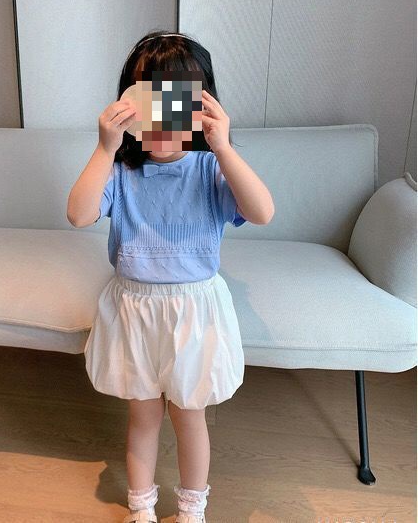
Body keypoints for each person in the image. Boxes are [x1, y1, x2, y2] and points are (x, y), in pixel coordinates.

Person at [67, 31, 274, 523]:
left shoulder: (209, 169)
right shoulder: (122, 171)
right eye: (148, 102)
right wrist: (105, 147)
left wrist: (223, 148)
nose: (161, 119)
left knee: (188, 416)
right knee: (142, 416)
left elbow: (262, 212)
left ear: (201, 108)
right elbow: (78, 214)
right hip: (134, 309)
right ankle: (141, 507)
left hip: (194, 311)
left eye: (176, 103)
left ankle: (191, 510)